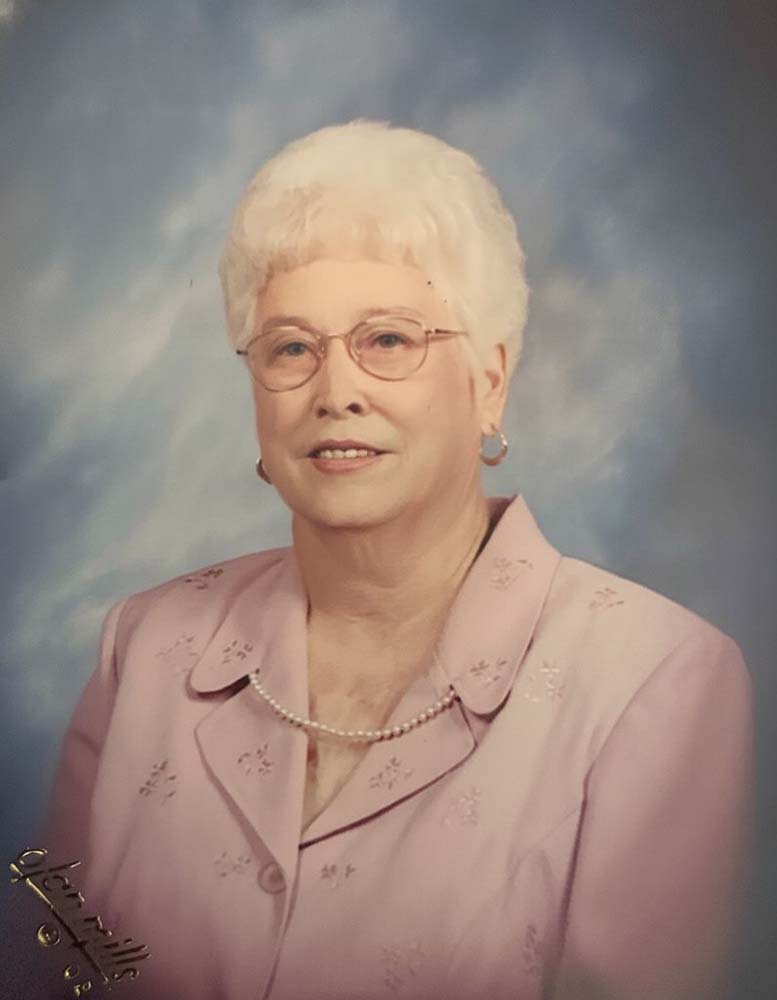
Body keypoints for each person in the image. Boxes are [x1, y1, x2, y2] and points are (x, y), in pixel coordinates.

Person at [24, 119, 753, 1000]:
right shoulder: (140, 649)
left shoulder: (655, 680)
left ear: (489, 382)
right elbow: (55, 972)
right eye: (292, 348)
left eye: (389, 341)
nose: (337, 392)